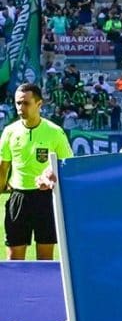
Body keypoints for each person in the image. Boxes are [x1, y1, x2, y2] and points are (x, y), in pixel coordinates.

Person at [0, 84, 70, 261]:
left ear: (39, 104)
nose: (20, 108)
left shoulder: (55, 132)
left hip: (45, 199)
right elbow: (3, 167)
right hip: (18, 198)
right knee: (14, 259)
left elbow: (67, 164)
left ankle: (43, 290)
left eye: (25, 103)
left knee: (45, 259)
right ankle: (15, 290)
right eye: (17, 103)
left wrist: (50, 176)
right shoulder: (9, 132)